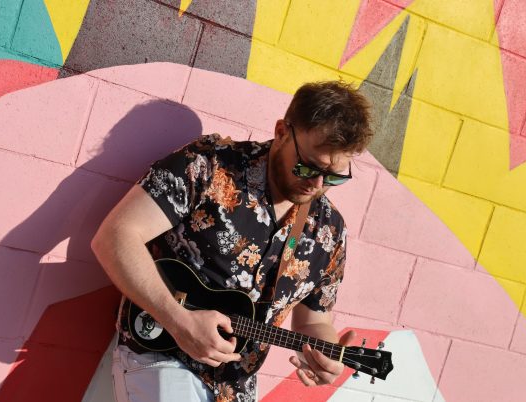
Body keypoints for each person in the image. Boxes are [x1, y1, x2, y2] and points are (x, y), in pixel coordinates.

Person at [91, 80, 373, 402]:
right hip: (164, 355)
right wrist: (179, 321)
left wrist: (325, 355)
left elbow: (314, 321)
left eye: (334, 176)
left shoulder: (329, 232)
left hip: (237, 387)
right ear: (282, 131)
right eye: (308, 167)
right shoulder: (210, 165)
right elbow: (115, 236)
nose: (317, 184)